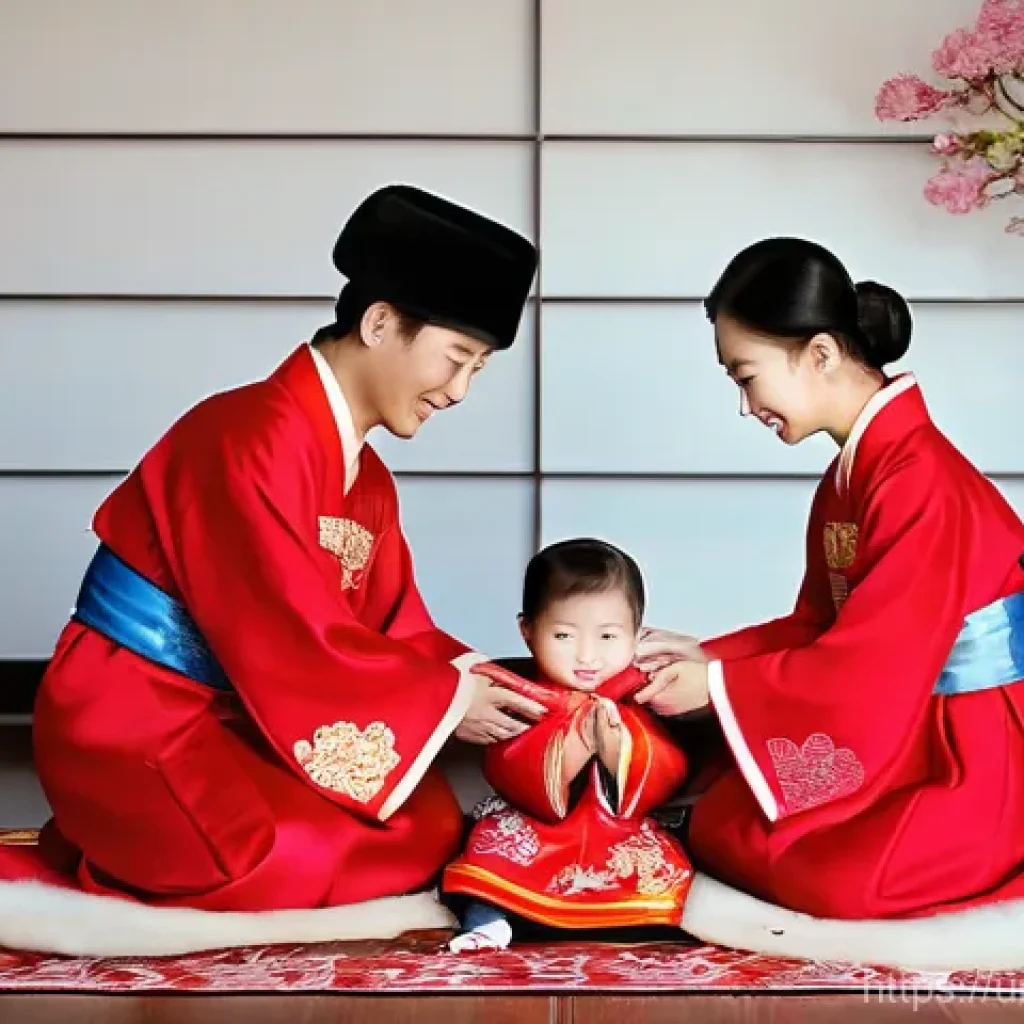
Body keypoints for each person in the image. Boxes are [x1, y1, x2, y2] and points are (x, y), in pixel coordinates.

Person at [0, 184, 548, 953]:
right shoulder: (245, 435)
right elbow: (288, 630)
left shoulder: (368, 481)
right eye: (456, 358)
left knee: (423, 824)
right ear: (382, 322)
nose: (458, 391)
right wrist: (444, 704)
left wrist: (523, 693)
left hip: (239, 721)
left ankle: (126, 857)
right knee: (278, 857)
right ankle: (104, 856)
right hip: (134, 720)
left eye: (478, 369)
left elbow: (395, 628)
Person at [633, 236, 1024, 923]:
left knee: (838, 881)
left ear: (819, 354)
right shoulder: (860, 470)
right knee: (730, 823)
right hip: (911, 713)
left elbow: (873, 661)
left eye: (745, 375)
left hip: (969, 744)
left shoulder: (920, 481)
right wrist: (710, 658)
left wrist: (719, 688)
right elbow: (819, 624)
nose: (745, 404)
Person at [442, 538, 693, 951]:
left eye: (609, 637)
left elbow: (670, 765)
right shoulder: (518, 693)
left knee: (662, 873)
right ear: (527, 631)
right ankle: (488, 925)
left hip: (615, 829)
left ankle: (634, 922)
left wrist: (619, 751)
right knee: (489, 865)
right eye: (563, 635)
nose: (587, 656)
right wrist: (572, 747)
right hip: (535, 828)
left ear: (637, 634)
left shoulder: (642, 691)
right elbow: (505, 762)